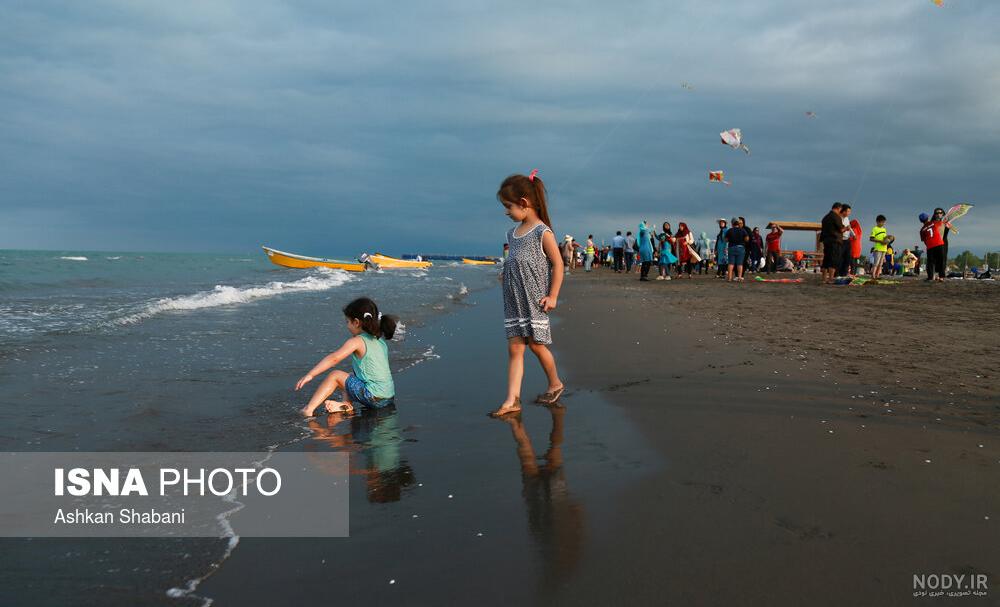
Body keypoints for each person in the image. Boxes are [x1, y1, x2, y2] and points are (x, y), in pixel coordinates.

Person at [492, 171, 565, 416]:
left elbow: (558, 264)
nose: (506, 212)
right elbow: (514, 262)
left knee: (536, 345)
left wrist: (553, 295)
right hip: (513, 299)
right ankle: (512, 399)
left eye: (508, 206)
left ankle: (555, 383)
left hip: (535, 299)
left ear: (524, 203)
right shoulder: (511, 235)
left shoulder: (542, 232)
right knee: (515, 349)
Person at [297, 297, 397, 416]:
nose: (347, 326)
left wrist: (311, 374)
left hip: (373, 397)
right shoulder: (380, 341)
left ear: (356, 322)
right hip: (388, 397)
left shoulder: (357, 341)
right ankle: (345, 405)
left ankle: (308, 409)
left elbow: (334, 358)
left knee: (335, 375)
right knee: (350, 376)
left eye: (347, 322)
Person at [920, 211, 951, 282]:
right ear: (928, 218)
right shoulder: (934, 222)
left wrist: (928, 245)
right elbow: (942, 223)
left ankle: (931, 277)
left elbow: (924, 240)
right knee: (941, 261)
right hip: (939, 244)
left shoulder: (922, 230)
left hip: (930, 246)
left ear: (921, 221)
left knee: (931, 262)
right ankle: (941, 277)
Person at [820, 202, 845, 284]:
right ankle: (831, 279)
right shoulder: (836, 217)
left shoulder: (825, 218)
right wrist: (847, 228)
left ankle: (824, 279)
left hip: (826, 241)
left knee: (826, 259)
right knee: (833, 260)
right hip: (835, 241)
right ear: (838, 208)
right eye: (840, 210)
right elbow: (841, 229)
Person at [726, 217, 749, 282]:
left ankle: (729, 278)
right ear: (738, 223)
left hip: (731, 247)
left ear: (732, 223)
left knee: (731, 263)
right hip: (740, 247)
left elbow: (726, 239)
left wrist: (731, 239)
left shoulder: (730, 230)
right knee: (739, 264)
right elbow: (747, 238)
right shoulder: (742, 230)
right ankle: (739, 277)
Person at [869, 215, 889, 279]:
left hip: (884, 248)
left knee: (881, 264)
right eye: (882, 222)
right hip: (878, 248)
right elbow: (871, 239)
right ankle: (873, 275)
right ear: (877, 222)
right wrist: (880, 241)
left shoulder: (884, 229)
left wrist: (888, 239)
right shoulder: (874, 229)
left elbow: (885, 238)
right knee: (876, 263)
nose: (883, 223)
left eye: (884, 222)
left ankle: (877, 275)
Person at [836, 204, 854, 277]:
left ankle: (844, 273)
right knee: (840, 258)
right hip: (840, 240)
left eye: (849, 211)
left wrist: (854, 234)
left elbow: (849, 227)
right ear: (843, 211)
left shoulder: (847, 218)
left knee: (848, 257)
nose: (849, 213)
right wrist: (846, 228)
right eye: (848, 211)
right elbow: (840, 229)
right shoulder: (838, 218)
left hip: (847, 240)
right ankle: (837, 274)